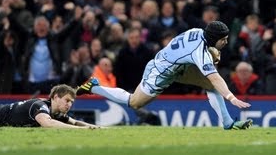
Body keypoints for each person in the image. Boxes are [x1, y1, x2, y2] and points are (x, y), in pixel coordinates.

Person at [77, 21, 253, 130]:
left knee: (211, 84)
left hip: (178, 67)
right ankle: (95, 87)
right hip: (160, 72)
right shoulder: (199, 52)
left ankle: (228, 123)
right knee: (134, 102)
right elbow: (214, 76)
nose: (226, 41)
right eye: (224, 39)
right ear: (215, 38)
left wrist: (210, 57)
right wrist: (230, 96)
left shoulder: (199, 32)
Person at [0, 84, 100, 128]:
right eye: (67, 100)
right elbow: (47, 124)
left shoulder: (55, 112)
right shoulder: (40, 106)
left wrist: (96, 128)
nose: (69, 105)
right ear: (56, 97)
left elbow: (74, 122)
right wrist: (80, 130)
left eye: (71, 102)